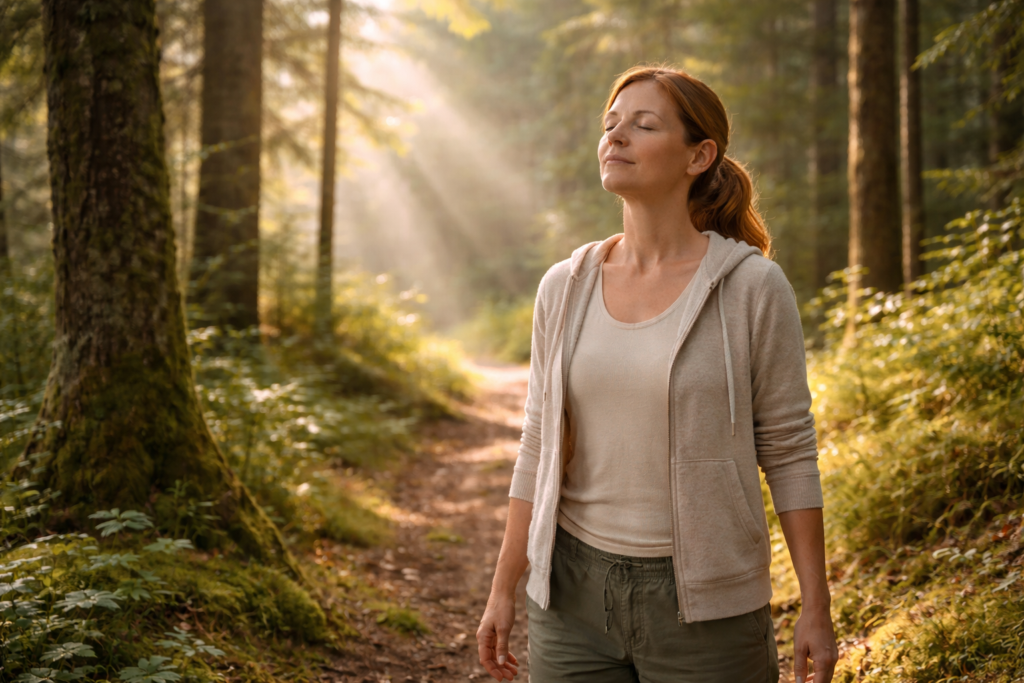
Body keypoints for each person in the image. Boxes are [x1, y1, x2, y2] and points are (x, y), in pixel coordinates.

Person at [475, 65, 839, 683]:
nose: (615, 137)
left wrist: (817, 606)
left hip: (708, 611)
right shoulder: (563, 288)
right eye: (610, 124)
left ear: (700, 155)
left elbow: (789, 450)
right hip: (570, 598)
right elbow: (538, 443)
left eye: (643, 125)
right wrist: (504, 586)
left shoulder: (753, 288)